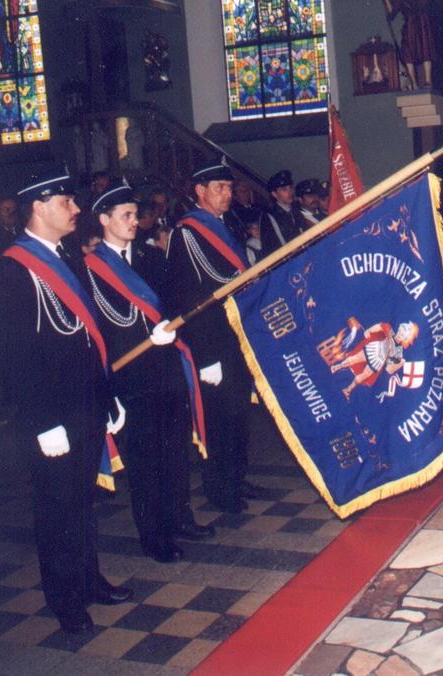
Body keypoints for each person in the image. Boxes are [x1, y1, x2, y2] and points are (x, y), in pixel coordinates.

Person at [0, 166, 132, 633]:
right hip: (51, 415)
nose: (75, 209)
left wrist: (107, 397)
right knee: (56, 507)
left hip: (85, 404)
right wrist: (43, 422)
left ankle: (89, 579)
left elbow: (89, 336)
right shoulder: (11, 268)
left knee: (82, 502)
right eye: (66, 203)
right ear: (39, 206)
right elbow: (16, 357)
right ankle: (65, 598)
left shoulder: (67, 256)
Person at [80, 180, 214, 563]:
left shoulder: (152, 258)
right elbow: (98, 329)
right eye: (125, 216)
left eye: (136, 215)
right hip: (130, 377)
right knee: (145, 459)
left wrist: (169, 327)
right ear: (104, 220)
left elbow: (177, 301)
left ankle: (180, 518)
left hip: (167, 367)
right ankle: (153, 535)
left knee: (175, 449)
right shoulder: (89, 270)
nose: (134, 222)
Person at [165, 159, 254, 513]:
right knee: (219, 418)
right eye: (219, 188)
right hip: (213, 344)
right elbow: (189, 298)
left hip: (234, 337)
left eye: (230, 188)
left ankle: (237, 478)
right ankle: (221, 489)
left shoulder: (223, 225)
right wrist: (206, 357)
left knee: (238, 415)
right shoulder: (187, 232)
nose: (227, 194)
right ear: (200, 191)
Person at [383, 0, 436, 89]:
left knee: (425, 49)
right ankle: (413, 83)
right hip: (409, 25)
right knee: (407, 53)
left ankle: (428, 80)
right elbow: (392, 13)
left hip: (423, 24)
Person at [262, 169, 308, 252]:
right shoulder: (269, 216)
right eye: (284, 189)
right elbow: (272, 247)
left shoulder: (297, 209)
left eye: (290, 188)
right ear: (274, 194)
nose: (290, 192)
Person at [224, 180, 265, 246]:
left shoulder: (258, 207)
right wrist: (248, 231)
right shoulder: (231, 213)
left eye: (247, 190)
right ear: (234, 196)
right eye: (242, 191)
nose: (246, 193)